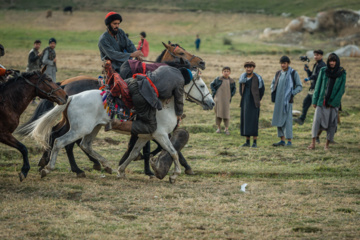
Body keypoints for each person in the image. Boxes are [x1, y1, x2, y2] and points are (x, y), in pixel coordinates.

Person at [107, 65, 193, 135]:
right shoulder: (180, 80)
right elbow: (179, 100)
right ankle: (118, 124)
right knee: (151, 126)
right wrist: (179, 114)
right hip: (142, 93)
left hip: (134, 81)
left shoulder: (166, 67)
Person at [307, 53, 346, 150]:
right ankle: (313, 143)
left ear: (337, 62)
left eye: (334, 61)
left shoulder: (342, 72)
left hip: (333, 103)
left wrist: (333, 103)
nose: (332, 63)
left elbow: (341, 90)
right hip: (321, 101)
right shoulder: (324, 71)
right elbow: (318, 86)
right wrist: (315, 100)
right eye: (330, 61)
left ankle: (326, 145)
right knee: (316, 122)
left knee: (332, 124)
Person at [271, 56, 302, 146]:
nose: (283, 65)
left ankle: (289, 141)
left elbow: (299, 86)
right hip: (278, 101)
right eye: (281, 63)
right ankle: (282, 140)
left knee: (288, 120)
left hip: (288, 101)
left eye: (284, 63)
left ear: (288, 63)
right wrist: (273, 90)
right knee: (278, 119)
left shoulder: (293, 73)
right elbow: (273, 84)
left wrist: (292, 93)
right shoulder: (278, 73)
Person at [294, 50, 326, 125]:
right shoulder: (316, 64)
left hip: (318, 89)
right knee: (306, 102)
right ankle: (301, 119)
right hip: (313, 87)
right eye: (315, 55)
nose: (315, 56)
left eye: (317, 55)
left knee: (318, 106)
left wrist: (308, 78)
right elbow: (312, 75)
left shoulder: (323, 65)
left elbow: (317, 76)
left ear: (321, 56)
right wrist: (307, 70)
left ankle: (321, 122)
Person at [239, 61, 265, 147]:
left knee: (254, 122)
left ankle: (254, 142)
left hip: (254, 103)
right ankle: (247, 141)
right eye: (247, 67)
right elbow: (240, 90)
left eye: (250, 67)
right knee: (245, 121)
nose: (248, 68)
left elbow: (262, 90)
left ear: (253, 68)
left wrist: (257, 98)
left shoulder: (258, 78)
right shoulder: (243, 77)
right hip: (245, 103)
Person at [210, 66, 236, 135]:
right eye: (225, 71)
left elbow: (234, 90)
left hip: (226, 100)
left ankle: (226, 129)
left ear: (230, 72)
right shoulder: (218, 79)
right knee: (218, 113)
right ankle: (218, 128)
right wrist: (214, 92)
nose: (226, 73)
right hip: (218, 99)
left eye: (227, 71)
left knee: (226, 114)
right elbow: (211, 85)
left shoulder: (232, 81)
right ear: (222, 72)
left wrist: (230, 96)